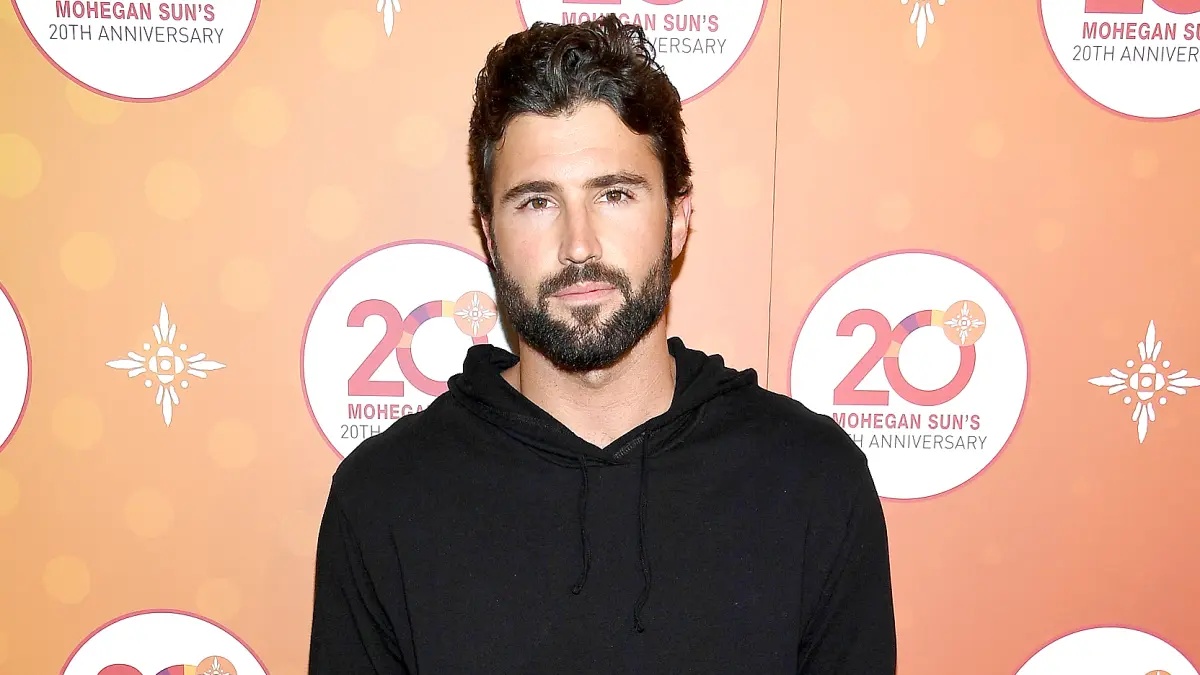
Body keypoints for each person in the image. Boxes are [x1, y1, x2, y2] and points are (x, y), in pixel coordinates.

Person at [307, 14, 896, 674]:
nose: (578, 244)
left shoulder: (812, 479)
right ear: (489, 235)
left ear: (677, 219)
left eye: (614, 194)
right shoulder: (386, 497)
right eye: (536, 202)